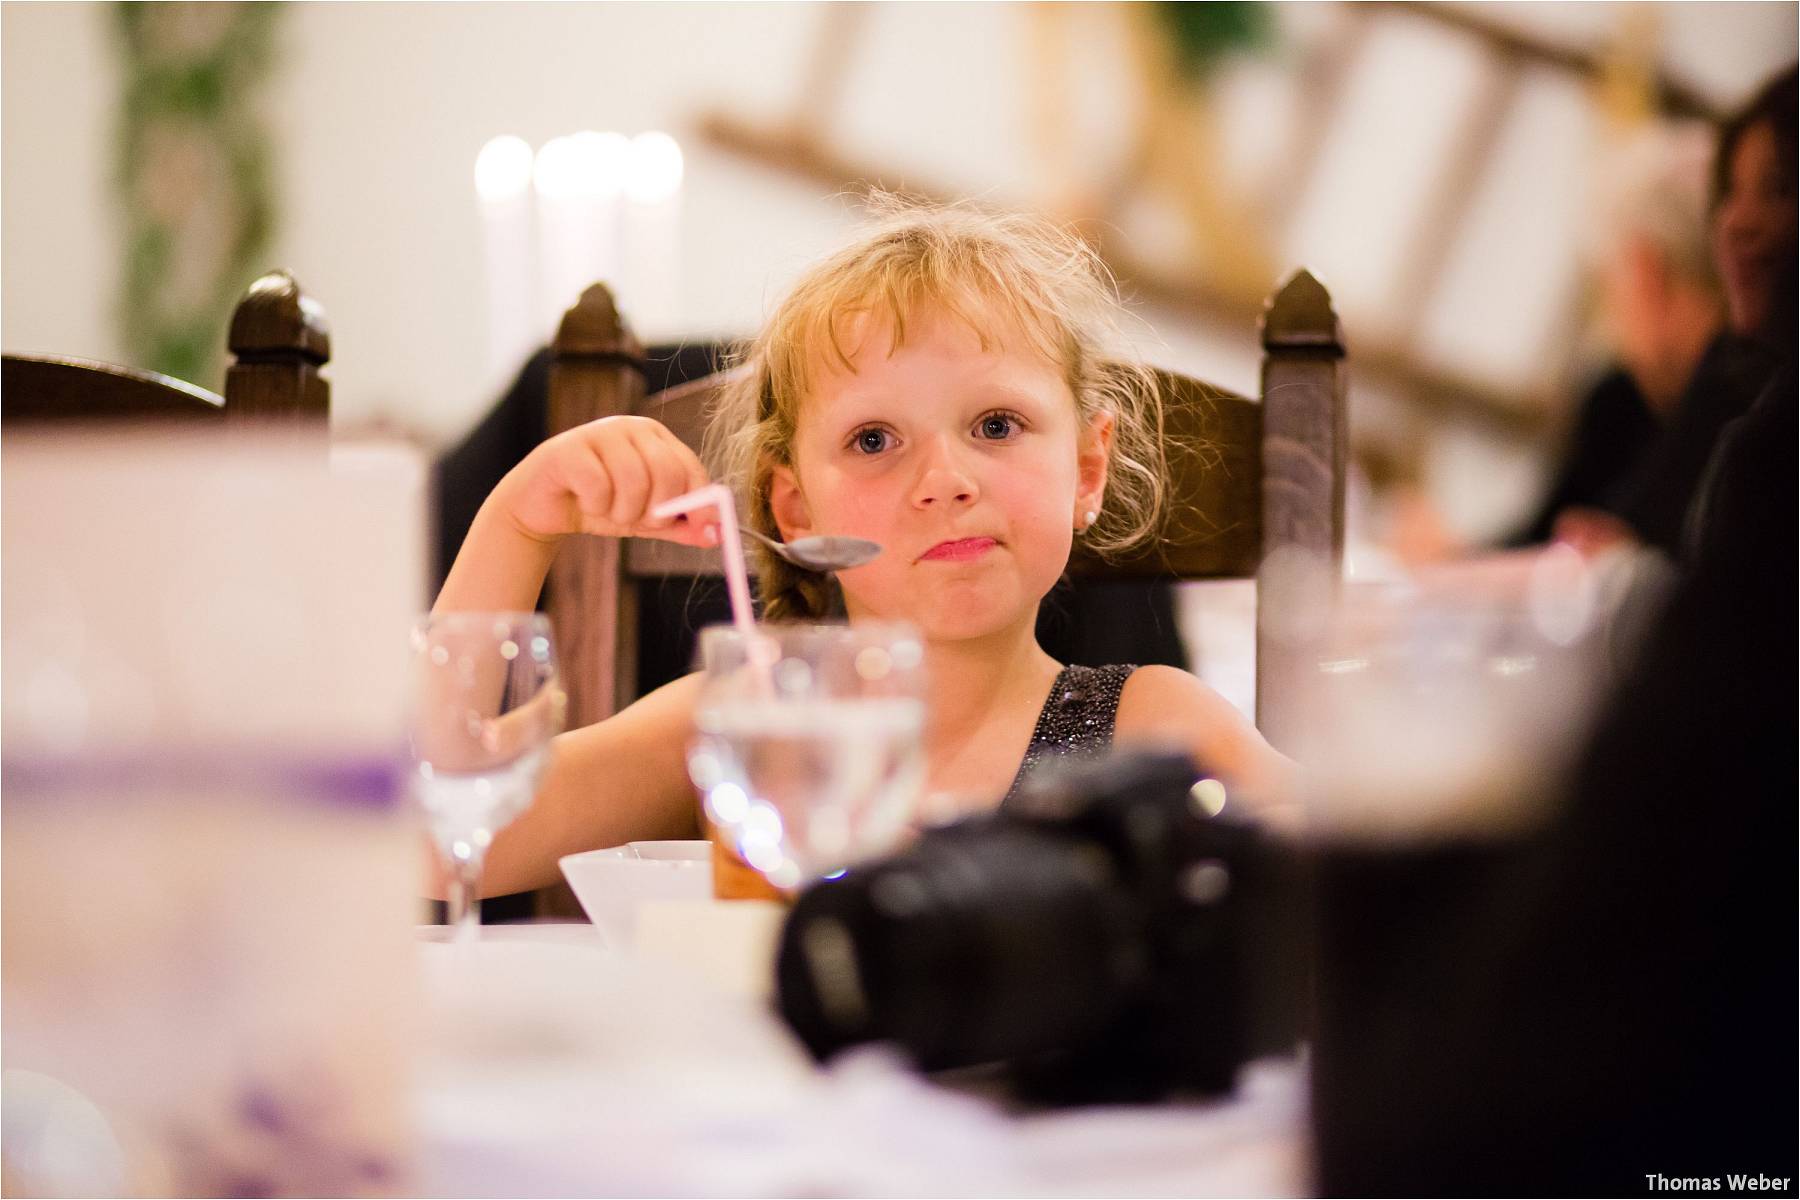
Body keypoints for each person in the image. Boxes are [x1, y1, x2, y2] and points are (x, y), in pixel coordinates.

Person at [432, 201, 1295, 899]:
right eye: (876, 440)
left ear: (1086, 466)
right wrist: (518, 522)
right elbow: (436, 841)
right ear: (795, 508)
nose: (946, 479)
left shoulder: (1154, 730)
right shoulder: (740, 725)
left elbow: (1358, 887)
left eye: (997, 424)